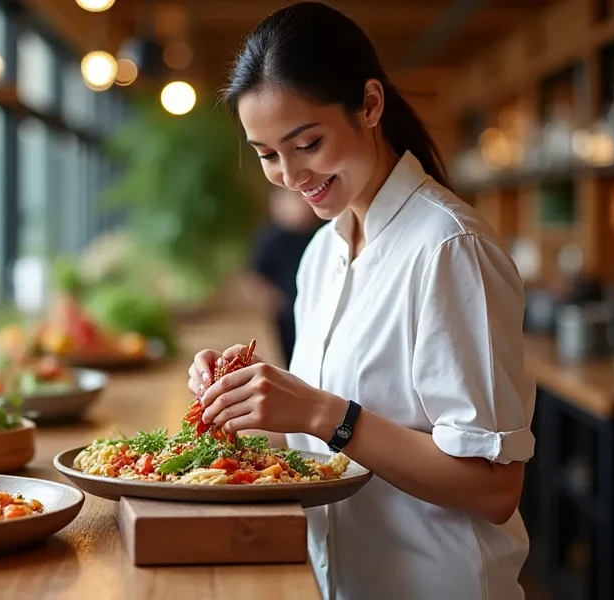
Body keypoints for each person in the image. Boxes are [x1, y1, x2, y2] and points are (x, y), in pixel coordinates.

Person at [185, 3, 536, 599]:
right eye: (268, 154)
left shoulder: (449, 248)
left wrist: (326, 413)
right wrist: (241, 391)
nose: (291, 175)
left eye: (307, 143)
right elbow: (319, 441)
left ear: (370, 105)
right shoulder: (323, 253)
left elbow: (493, 489)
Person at [249, 186, 323, 366]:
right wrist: (273, 300)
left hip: (316, 312)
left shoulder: (323, 233)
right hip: (286, 316)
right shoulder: (273, 237)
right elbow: (255, 275)